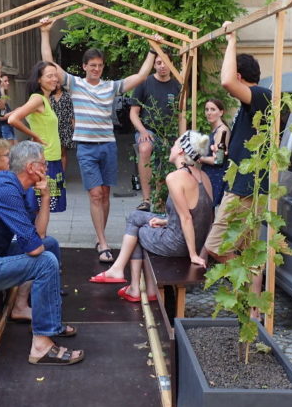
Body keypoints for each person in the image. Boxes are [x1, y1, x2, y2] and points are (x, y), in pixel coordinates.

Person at [0, 141, 83, 365]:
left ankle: (48, 323)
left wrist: (46, 196)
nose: (47, 168)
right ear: (31, 168)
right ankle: (40, 346)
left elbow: (40, 236)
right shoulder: (6, 191)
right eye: (44, 164)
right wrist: (36, 244)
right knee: (45, 260)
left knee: (51, 245)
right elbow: (35, 248)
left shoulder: (13, 185)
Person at [40, 16, 155, 263]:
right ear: (84, 67)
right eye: (92, 65)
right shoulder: (75, 84)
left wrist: (153, 50)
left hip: (108, 147)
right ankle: (102, 242)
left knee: (104, 193)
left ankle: (100, 235)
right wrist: (44, 32)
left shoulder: (110, 87)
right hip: (86, 148)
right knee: (94, 194)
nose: (96, 69)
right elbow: (49, 64)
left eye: (100, 65)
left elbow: (141, 76)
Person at [88, 130, 213, 303]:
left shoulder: (175, 178)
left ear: (181, 152)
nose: (171, 147)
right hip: (193, 240)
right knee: (136, 216)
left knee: (138, 231)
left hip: (178, 243)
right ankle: (133, 281)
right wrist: (165, 221)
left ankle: (130, 283)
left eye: (175, 144)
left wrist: (193, 254)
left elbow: (186, 218)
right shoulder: (203, 177)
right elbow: (203, 216)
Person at [199, 23, 271, 316]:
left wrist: (231, 39)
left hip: (245, 187)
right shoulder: (252, 105)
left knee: (216, 246)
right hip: (245, 185)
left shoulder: (262, 97)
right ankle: (253, 311)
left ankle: (244, 287)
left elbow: (227, 81)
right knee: (250, 250)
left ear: (241, 77)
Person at [8, 62, 67, 212]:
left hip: (52, 157)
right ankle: (34, 235)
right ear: (39, 79)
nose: (54, 79)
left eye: (56, 75)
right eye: (49, 76)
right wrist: (35, 136)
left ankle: (39, 235)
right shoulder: (38, 99)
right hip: (43, 158)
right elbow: (13, 119)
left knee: (43, 206)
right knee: (37, 206)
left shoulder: (45, 100)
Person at [130, 51, 182, 212]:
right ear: (154, 65)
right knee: (145, 148)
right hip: (148, 130)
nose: (162, 66)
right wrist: (143, 131)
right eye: (158, 62)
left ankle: (159, 200)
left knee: (165, 159)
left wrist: (181, 137)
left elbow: (181, 115)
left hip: (168, 133)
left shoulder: (177, 85)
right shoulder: (145, 83)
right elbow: (133, 113)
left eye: (165, 62)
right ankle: (146, 199)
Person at [198, 98, 231, 206]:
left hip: (216, 175)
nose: (209, 113)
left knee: (209, 210)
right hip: (209, 174)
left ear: (221, 112)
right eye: (207, 109)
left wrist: (199, 158)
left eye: (213, 109)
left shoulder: (222, 131)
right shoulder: (215, 130)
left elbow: (218, 160)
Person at [49, 86, 75, 172]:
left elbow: (71, 113)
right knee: (54, 151)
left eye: (59, 81)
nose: (57, 84)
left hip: (65, 128)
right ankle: (55, 172)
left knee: (62, 152)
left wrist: (74, 128)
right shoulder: (49, 97)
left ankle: (62, 174)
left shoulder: (67, 96)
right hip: (53, 128)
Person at [0, 75, 16, 145]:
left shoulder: (3, 95)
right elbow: (1, 117)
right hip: (4, 128)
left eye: (8, 81)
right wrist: (15, 112)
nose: (8, 83)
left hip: (8, 128)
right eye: (5, 81)